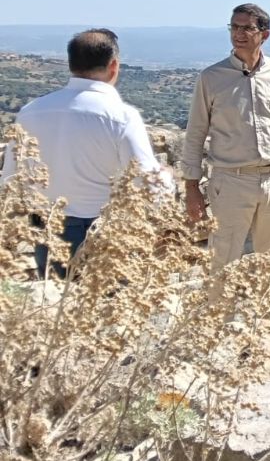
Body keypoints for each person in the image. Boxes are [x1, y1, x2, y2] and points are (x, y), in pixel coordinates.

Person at [2, 29, 166, 276]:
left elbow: (11, 178)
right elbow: (148, 181)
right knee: (104, 298)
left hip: (46, 227)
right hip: (101, 230)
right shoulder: (122, 117)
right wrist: (167, 179)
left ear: (71, 64)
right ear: (114, 66)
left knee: (54, 297)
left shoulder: (31, 111)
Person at [182, 4, 270, 271]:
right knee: (222, 258)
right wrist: (191, 187)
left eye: (247, 28)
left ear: (265, 34)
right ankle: (220, 301)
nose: (238, 33)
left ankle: (264, 301)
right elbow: (195, 134)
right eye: (234, 27)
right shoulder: (211, 78)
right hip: (231, 180)